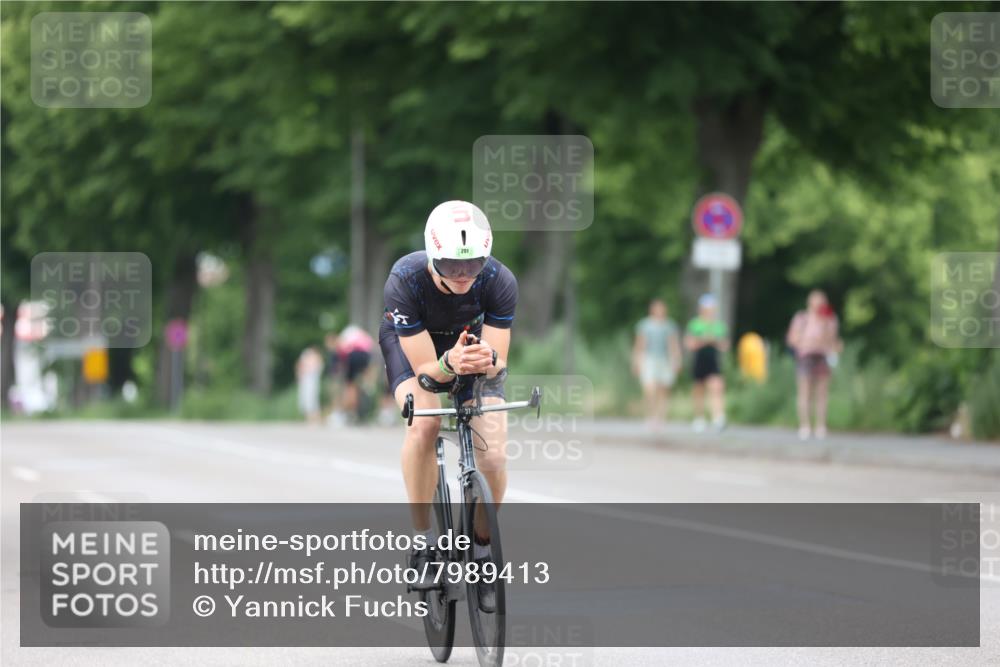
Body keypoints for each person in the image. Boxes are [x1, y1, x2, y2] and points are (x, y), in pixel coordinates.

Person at [379, 200, 517, 610]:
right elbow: (425, 373)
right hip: (417, 353)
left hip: (470, 350)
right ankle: (423, 544)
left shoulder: (499, 280)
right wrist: (447, 363)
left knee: (495, 451)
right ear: (431, 255)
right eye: (451, 266)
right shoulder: (404, 279)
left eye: (472, 264)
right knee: (422, 424)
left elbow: (499, 361)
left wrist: (487, 361)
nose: (462, 276)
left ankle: (482, 549)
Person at [786, 290, 841, 440]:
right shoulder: (802, 318)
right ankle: (805, 425)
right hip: (805, 356)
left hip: (822, 356)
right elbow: (792, 338)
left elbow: (832, 340)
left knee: (822, 393)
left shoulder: (830, 319)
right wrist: (805, 343)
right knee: (805, 392)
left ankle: (821, 426)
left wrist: (824, 324)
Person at [632, 299, 682, 429]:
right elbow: (639, 345)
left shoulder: (669, 325)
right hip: (649, 358)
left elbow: (673, 345)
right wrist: (636, 361)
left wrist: (676, 360)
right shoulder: (644, 325)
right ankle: (650, 416)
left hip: (665, 359)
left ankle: (661, 417)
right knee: (649, 388)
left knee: (663, 389)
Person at [685, 294, 729, 432]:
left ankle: (718, 417)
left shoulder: (718, 325)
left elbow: (724, 345)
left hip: (713, 360)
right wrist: (704, 340)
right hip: (699, 359)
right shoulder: (695, 324)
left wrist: (714, 341)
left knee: (717, 387)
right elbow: (689, 344)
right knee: (699, 390)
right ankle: (699, 418)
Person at [336, 324, 375, 422]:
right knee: (361, 380)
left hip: (352, 355)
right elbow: (370, 345)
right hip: (365, 355)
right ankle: (367, 384)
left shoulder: (346, 332)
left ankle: (350, 411)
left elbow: (341, 348)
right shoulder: (362, 334)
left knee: (350, 385)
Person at [295, 346, 324, 425]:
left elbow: (318, 368)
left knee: (312, 397)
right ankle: (309, 417)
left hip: (312, 379)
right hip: (306, 379)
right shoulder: (307, 356)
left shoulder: (315, 357)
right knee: (306, 397)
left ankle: (315, 417)